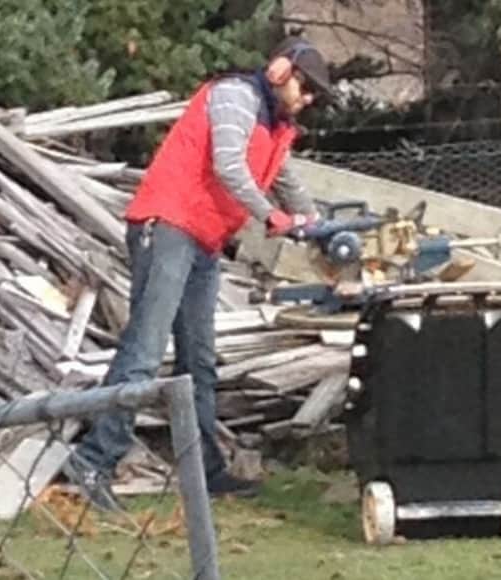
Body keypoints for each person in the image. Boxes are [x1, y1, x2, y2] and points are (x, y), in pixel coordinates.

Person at [62, 36, 332, 510]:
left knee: (199, 359)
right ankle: (92, 461)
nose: (306, 100)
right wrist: (271, 217)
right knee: (145, 351)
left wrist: (314, 223)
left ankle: (203, 472)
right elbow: (228, 166)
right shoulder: (234, 97)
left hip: (202, 238)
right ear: (280, 71)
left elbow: (285, 178)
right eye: (305, 89)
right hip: (167, 225)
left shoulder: (277, 124)